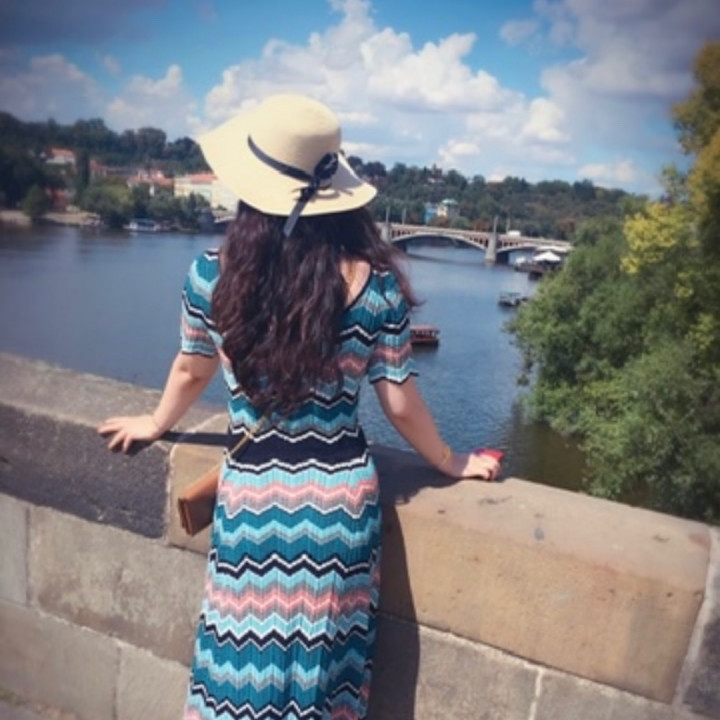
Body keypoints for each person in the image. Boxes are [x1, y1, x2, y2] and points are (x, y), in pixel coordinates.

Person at [98, 94, 500, 720]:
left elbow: (191, 368)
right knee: (320, 675)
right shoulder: (377, 288)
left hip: (252, 496)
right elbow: (399, 403)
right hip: (338, 504)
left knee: (237, 667)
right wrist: (451, 461)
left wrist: (155, 423)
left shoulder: (212, 276)